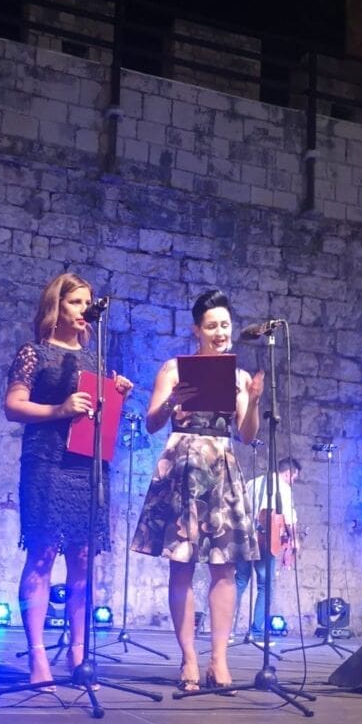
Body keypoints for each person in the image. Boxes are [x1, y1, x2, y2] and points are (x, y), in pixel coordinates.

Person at [131, 290, 263, 693]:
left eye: (225, 325)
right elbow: (151, 422)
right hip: (184, 467)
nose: (220, 332)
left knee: (225, 567)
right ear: (197, 330)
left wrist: (254, 401)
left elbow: (247, 435)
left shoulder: (239, 377)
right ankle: (188, 657)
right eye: (211, 326)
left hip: (221, 467)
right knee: (182, 565)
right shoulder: (174, 368)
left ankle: (219, 659)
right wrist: (172, 401)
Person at [4, 273, 133, 686]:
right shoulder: (34, 353)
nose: (84, 310)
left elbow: (100, 420)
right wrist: (59, 410)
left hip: (86, 466)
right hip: (46, 462)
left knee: (82, 559)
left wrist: (117, 397)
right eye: (76, 302)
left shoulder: (96, 362)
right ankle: (38, 657)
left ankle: (80, 654)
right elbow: (13, 406)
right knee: (42, 554)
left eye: (87, 303)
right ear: (56, 307)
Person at [235, 456, 301, 637]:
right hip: (265, 540)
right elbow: (289, 517)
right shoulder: (283, 488)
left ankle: (225, 629)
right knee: (265, 586)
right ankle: (256, 629)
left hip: (245, 537)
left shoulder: (253, 483)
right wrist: (294, 540)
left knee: (240, 580)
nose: (293, 482)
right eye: (294, 478)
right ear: (288, 473)